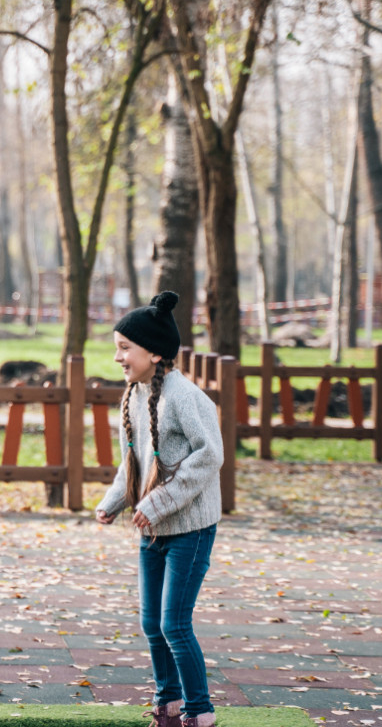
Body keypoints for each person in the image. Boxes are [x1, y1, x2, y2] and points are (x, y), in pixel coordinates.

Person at [94, 291, 224, 727]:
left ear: (153, 352)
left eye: (124, 348)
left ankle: (199, 712)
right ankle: (167, 704)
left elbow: (210, 456)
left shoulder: (185, 397)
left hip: (190, 529)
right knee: (152, 623)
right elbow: (133, 461)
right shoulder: (134, 395)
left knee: (174, 625)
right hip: (152, 528)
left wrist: (159, 502)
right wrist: (114, 501)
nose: (118, 357)